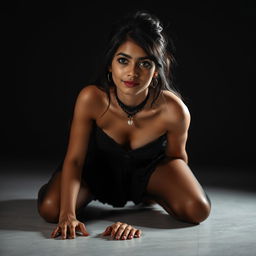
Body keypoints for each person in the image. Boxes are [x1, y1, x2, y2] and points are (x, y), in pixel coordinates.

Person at [37, 10, 211, 241]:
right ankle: (65, 194)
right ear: (110, 65)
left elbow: (176, 159)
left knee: (198, 210)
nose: (132, 72)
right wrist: (67, 214)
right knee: (50, 209)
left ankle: (150, 196)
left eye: (144, 63)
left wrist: (171, 193)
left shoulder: (174, 110)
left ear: (156, 70)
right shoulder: (92, 99)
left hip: (147, 177)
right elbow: (75, 159)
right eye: (123, 60)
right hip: (95, 175)